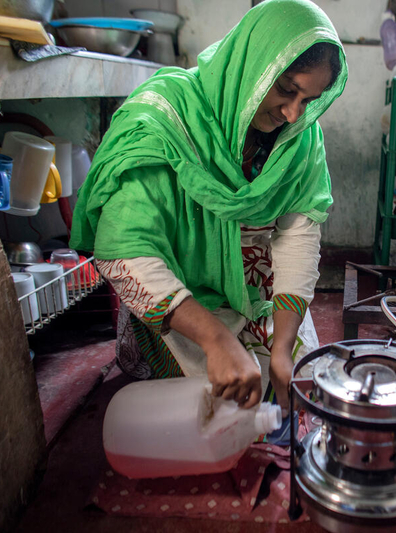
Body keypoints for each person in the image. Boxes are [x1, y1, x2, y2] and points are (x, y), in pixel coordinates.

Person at [69, 0, 347, 417]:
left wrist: (284, 348)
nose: (293, 113)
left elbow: (296, 234)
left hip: (257, 291)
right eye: (287, 90)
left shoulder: (299, 137)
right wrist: (216, 340)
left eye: (310, 100)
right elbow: (124, 249)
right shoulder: (162, 120)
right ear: (254, 67)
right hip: (181, 300)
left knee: (296, 379)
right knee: (215, 400)